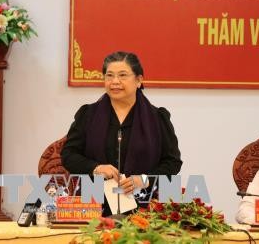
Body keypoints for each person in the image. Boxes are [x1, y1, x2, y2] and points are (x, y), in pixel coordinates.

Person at [61, 51, 182, 215]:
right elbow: (68, 155)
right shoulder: (88, 115)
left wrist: (144, 179)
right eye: (109, 76)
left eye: (123, 75)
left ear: (139, 80)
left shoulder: (158, 118)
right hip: (94, 206)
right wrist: (96, 168)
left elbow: (172, 163)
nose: (115, 81)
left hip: (145, 207)